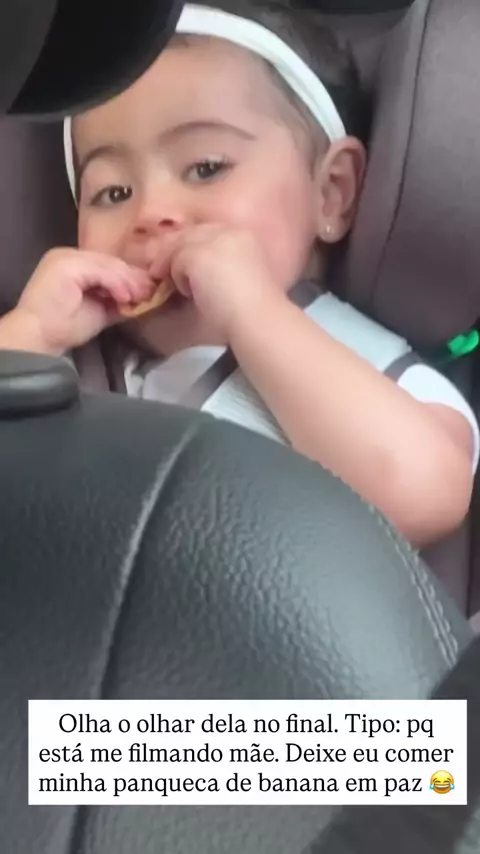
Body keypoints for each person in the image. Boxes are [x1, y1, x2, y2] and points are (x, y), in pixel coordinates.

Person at [0, 0, 477, 548]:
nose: (151, 212)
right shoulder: (75, 364)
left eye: (207, 168)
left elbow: (425, 494)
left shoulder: (365, 366)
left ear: (331, 193)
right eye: (112, 192)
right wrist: (30, 333)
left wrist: (254, 313)